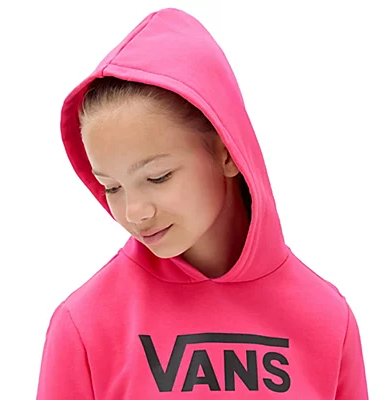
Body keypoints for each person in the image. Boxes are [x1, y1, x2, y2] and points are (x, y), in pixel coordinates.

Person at [36, 7, 369, 399]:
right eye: (112, 187)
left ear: (227, 152)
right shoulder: (84, 325)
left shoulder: (328, 319)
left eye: (158, 177)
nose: (133, 211)